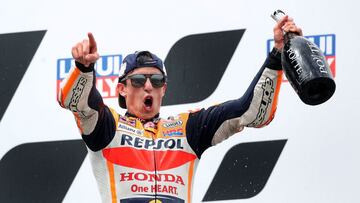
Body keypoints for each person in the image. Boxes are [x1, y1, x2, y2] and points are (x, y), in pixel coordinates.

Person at [58, 15, 302, 203]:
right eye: (138, 80)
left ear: (164, 89)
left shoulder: (187, 128)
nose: (148, 87)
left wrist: (277, 54)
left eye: (156, 81)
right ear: (121, 89)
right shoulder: (107, 126)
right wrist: (83, 68)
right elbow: (76, 102)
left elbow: (251, 111)